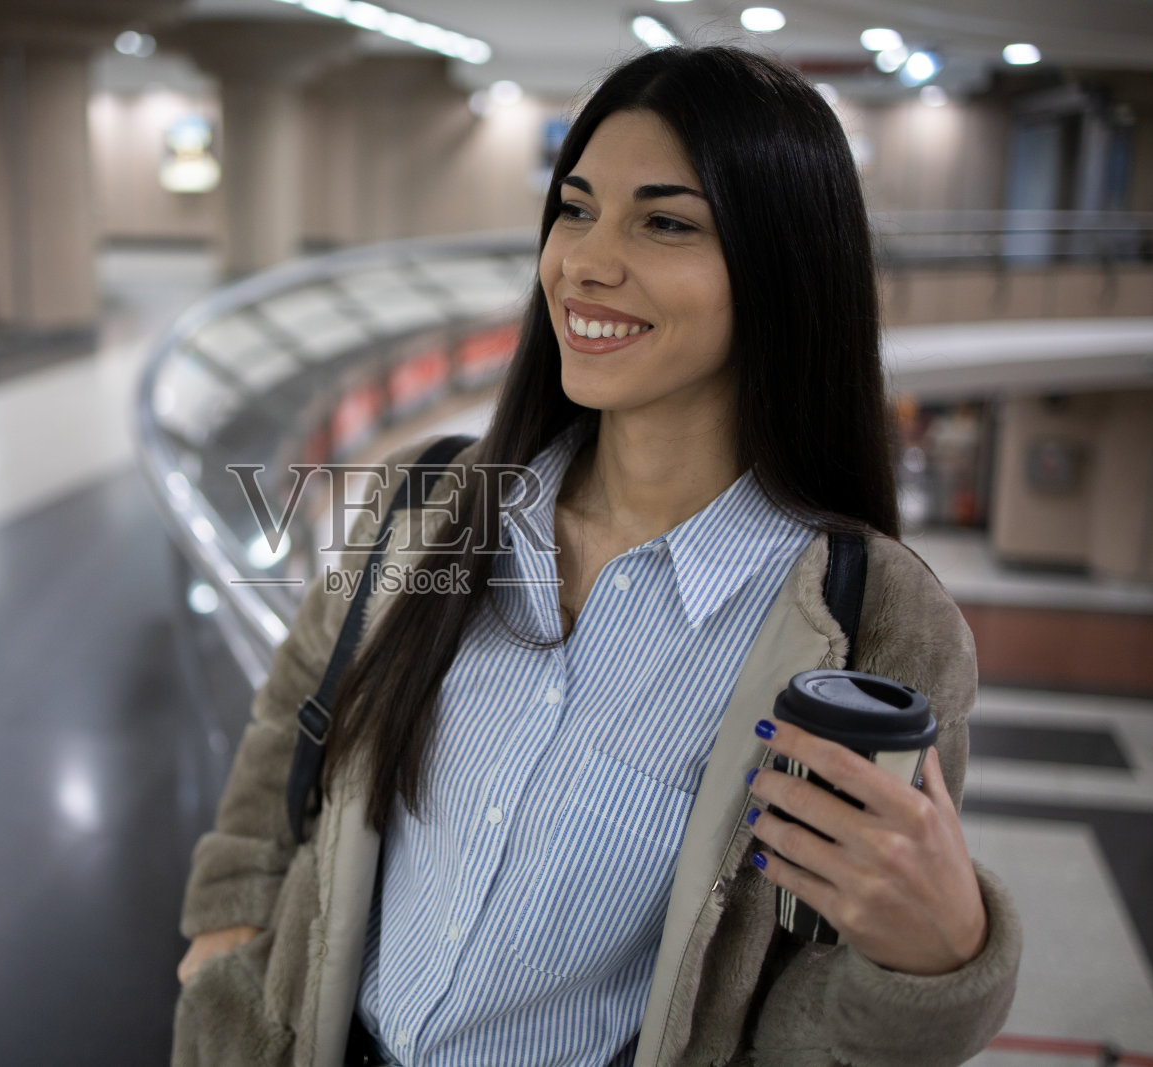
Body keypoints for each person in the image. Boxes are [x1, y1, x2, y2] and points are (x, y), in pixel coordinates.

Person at [172, 44, 1020, 1067]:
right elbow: (297, 710)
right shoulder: (429, 503)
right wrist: (228, 926)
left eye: (663, 222)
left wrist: (936, 964)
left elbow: (806, 1002)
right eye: (574, 208)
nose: (584, 260)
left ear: (781, 266)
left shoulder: (868, 627)